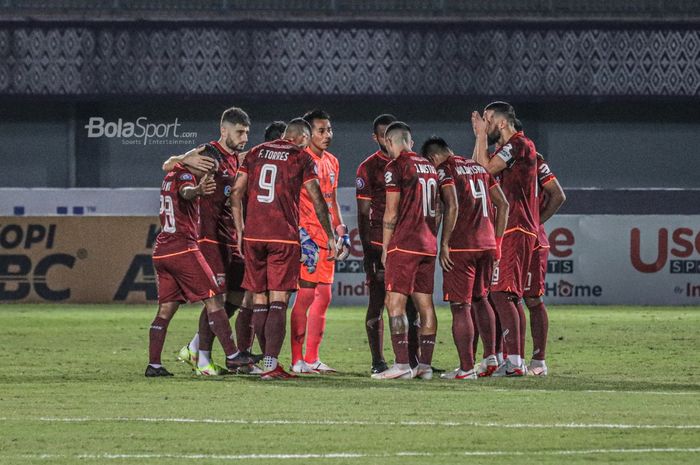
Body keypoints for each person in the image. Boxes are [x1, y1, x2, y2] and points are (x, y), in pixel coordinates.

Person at [231, 118, 337, 380]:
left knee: (259, 300)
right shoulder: (300, 157)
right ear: (302, 137)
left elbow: (235, 192)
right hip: (283, 237)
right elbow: (318, 199)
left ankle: (260, 360)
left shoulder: (255, 153)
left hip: (254, 236)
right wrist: (330, 235)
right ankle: (270, 364)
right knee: (278, 301)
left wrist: (240, 228)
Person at [162, 107, 258, 375]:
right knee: (214, 297)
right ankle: (202, 357)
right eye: (239, 132)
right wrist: (182, 158)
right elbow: (169, 164)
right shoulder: (208, 153)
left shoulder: (238, 159)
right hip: (208, 237)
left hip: (230, 238)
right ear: (224, 130)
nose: (244, 137)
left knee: (236, 297)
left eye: (247, 132)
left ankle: (193, 346)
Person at [147, 155, 249, 377]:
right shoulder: (185, 175)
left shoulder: (168, 176)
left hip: (162, 249)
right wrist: (198, 190)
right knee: (214, 298)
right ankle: (232, 355)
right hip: (183, 247)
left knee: (165, 309)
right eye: (207, 169)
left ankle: (153, 365)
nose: (209, 174)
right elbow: (186, 192)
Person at [422, 137, 509, 379]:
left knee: (460, 306)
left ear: (432, 158)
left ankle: (467, 368)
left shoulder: (444, 170)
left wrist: (445, 243)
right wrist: (498, 242)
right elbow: (503, 204)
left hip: (463, 247)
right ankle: (491, 358)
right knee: (482, 299)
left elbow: (452, 205)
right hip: (488, 245)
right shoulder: (478, 167)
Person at [472, 102, 540, 377]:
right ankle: (513, 360)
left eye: (487, 120)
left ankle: (514, 362)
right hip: (512, 227)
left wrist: (479, 137)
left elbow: (485, 170)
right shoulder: (507, 148)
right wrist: (479, 138)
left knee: (502, 293)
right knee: (507, 294)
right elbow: (478, 170)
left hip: (515, 227)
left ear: (500, 123)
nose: (484, 125)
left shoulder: (518, 144)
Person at [373, 122, 439, 380]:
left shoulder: (396, 166)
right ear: (410, 141)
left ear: (390, 142)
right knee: (426, 305)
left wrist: (386, 247)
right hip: (428, 244)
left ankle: (401, 365)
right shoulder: (429, 167)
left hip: (406, 243)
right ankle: (425, 366)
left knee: (394, 302)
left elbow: (391, 212)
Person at [356, 114, 421, 374]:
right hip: (377, 243)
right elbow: (363, 213)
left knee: (412, 306)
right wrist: (367, 250)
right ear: (376, 138)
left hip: (407, 242)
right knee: (378, 301)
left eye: (389, 135)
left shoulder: (410, 164)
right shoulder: (369, 167)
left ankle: (412, 360)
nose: (387, 140)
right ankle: (377, 361)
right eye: (382, 135)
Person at [289, 109, 350, 374]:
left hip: (327, 238)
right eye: (321, 130)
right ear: (308, 133)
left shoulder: (333, 161)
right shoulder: (300, 160)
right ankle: (296, 359)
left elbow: (331, 200)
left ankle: (312, 358)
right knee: (304, 298)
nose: (327, 135)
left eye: (329, 130)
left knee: (323, 297)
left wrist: (341, 231)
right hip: (308, 240)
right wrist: (300, 234)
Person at [523, 152, 566, 376]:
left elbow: (558, 195)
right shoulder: (494, 161)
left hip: (531, 242)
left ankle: (538, 360)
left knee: (532, 298)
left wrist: (535, 222)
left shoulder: (534, 161)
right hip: (504, 240)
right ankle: (507, 359)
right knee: (500, 297)